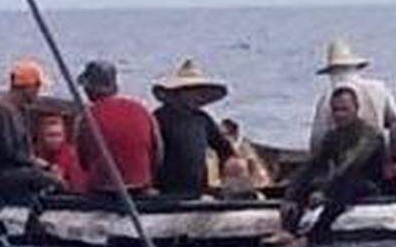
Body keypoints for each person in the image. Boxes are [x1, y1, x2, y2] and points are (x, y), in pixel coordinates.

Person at [270, 87, 386, 247]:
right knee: (307, 181)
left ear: (356, 108)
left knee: (346, 185)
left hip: (368, 185)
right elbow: (312, 165)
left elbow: (349, 165)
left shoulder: (369, 135)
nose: (340, 115)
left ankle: (312, 237)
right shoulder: (333, 136)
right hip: (340, 182)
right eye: (336, 110)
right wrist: (291, 194)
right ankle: (289, 229)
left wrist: (325, 192)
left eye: (345, 110)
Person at [0, 60, 61, 201]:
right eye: (37, 87)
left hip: (10, 169)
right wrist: (38, 164)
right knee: (52, 181)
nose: (38, 93)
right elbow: (6, 153)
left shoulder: (16, 109)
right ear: (27, 88)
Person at [74, 60, 162, 195]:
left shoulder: (87, 117)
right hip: (141, 187)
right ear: (115, 86)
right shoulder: (141, 110)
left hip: (103, 189)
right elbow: (158, 153)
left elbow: (83, 161)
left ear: (89, 89)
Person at [151, 59, 236, 197]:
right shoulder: (159, 118)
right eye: (190, 91)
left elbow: (224, 149)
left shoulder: (202, 119)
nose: (196, 96)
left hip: (197, 191)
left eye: (199, 92)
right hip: (165, 191)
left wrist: (226, 178)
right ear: (176, 93)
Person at [308, 38, 396, 151]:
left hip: (343, 158)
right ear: (355, 67)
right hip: (377, 154)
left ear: (331, 72)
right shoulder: (378, 88)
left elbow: (316, 140)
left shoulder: (326, 98)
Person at [34, 114, 88, 193]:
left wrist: (48, 167)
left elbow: (72, 186)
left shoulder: (69, 155)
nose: (55, 140)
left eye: (59, 135)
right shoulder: (36, 152)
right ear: (41, 136)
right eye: (51, 135)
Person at [219, 118, 271, 188]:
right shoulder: (227, 146)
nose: (224, 137)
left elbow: (252, 161)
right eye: (222, 135)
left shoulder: (243, 146)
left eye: (226, 134)